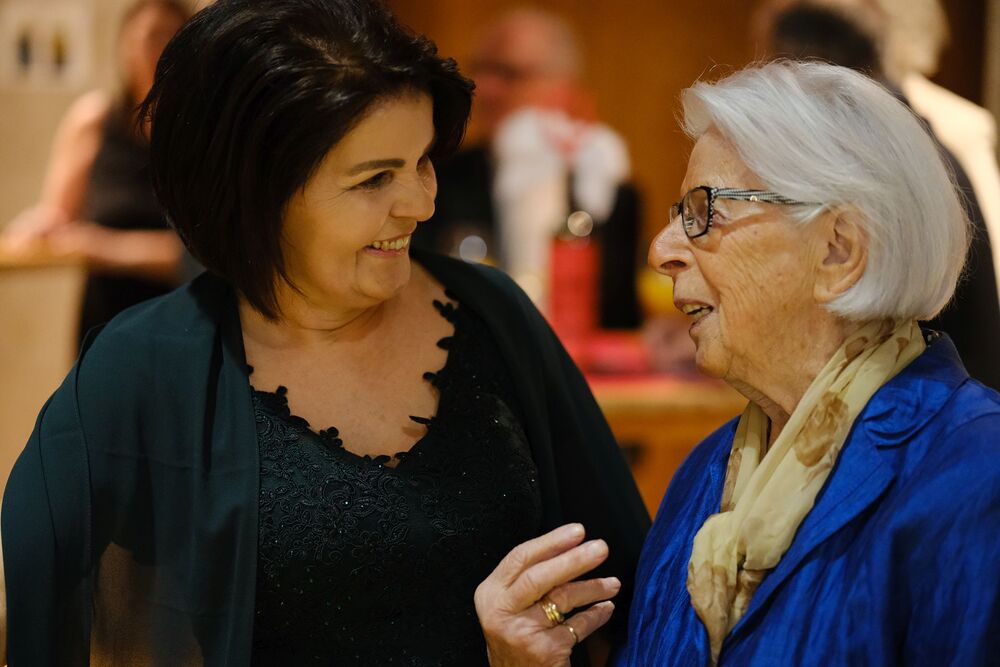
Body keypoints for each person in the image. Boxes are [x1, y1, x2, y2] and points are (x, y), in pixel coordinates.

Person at [0, 1, 649, 664]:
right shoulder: (144, 367)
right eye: (375, 179)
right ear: (261, 194)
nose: (421, 203)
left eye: (422, 161)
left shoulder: (490, 312)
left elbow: (630, 590)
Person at [615, 60, 1000, 665]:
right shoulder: (705, 473)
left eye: (703, 211)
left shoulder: (975, 477)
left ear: (838, 251)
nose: (662, 250)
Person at [754, 0, 1000, 391]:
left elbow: (834, 332)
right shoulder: (905, 140)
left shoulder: (871, 164)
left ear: (806, 74)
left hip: (930, 411)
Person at [412, 8, 643, 330]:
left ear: (564, 87)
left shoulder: (608, 185)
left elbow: (621, 317)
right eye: (480, 69)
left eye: (509, 74)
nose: (484, 89)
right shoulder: (436, 176)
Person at [1, 0, 190, 340]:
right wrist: (35, 228)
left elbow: (202, 254)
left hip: (183, 315)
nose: (154, 50)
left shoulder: (198, 133)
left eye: (167, 37)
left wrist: (102, 247)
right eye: (145, 38)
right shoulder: (94, 120)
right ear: (124, 46)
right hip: (107, 313)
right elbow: (58, 214)